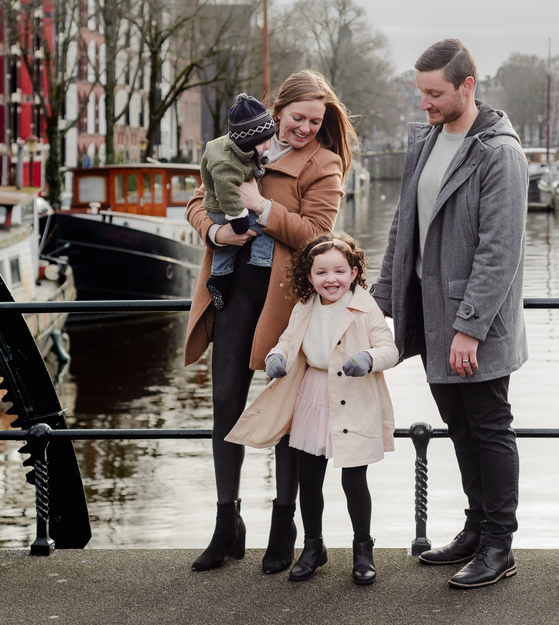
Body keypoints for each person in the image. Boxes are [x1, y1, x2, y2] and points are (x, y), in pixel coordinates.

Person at [183, 69, 358, 574]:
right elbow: (197, 201)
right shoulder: (233, 147)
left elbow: (320, 235)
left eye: (315, 121)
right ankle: (226, 522)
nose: (304, 128)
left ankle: (285, 525)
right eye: (297, 117)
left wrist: (264, 207)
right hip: (234, 288)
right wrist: (216, 231)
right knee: (224, 404)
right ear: (277, 110)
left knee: (284, 413)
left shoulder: (324, 164)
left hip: (285, 300)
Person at [371, 38, 528, 590]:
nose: (425, 104)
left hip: (472, 327)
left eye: (434, 93)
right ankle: (475, 529)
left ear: (468, 86)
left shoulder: (498, 152)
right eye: (421, 93)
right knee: (459, 427)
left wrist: (469, 328)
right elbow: (403, 227)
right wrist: (382, 300)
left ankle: (499, 546)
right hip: (433, 317)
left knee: (488, 427)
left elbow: (499, 249)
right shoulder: (428, 140)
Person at [227, 233, 398, 585]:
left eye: (338, 271)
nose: (330, 279)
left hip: (354, 395)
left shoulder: (366, 307)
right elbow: (288, 342)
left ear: (353, 273)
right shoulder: (305, 307)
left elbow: (389, 349)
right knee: (310, 479)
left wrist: (368, 358)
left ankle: (362, 550)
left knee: (354, 479)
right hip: (314, 394)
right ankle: (312, 547)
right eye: (321, 273)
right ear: (309, 277)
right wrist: (277, 357)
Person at [200, 94, 277, 310]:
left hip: (219, 211)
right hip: (226, 211)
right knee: (264, 228)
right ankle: (262, 265)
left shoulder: (235, 149)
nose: (268, 145)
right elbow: (226, 194)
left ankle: (218, 278)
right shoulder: (227, 166)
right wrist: (239, 219)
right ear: (247, 143)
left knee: (227, 249)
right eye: (263, 143)